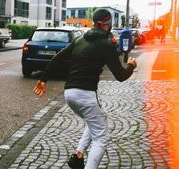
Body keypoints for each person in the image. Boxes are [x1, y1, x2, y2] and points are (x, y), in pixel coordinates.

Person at [33, 9, 136, 169]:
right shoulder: (106, 45)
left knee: (96, 119)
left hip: (69, 94)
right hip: (86, 95)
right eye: (110, 24)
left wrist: (43, 78)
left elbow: (58, 57)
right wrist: (131, 65)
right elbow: (121, 75)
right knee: (100, 138)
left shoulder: (80, 39)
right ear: (103, 24)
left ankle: (78, 156)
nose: (111, 27)